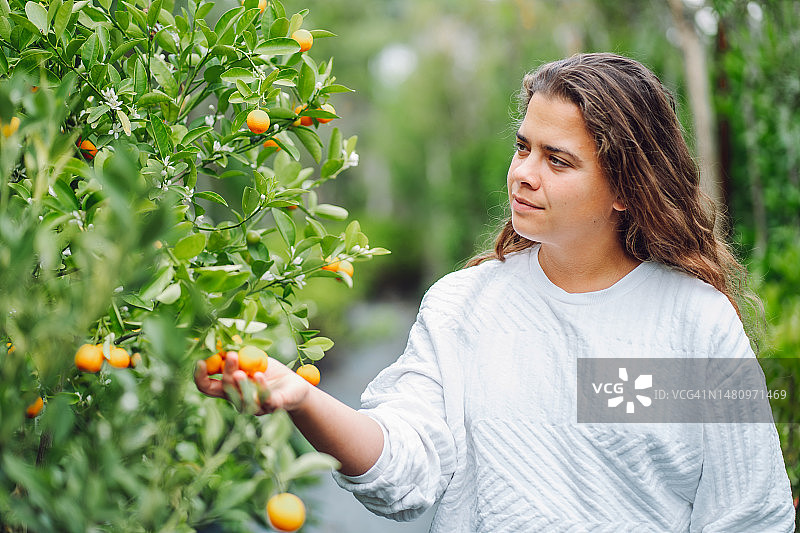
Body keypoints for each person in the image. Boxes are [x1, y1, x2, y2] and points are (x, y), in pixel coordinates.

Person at [195, 53, 795, 531]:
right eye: (522, 146)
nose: (523, 173)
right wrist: (300, 396)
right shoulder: (463, 307)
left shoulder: (691, 322)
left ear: (624, 188)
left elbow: (746, 514)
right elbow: (404, 469)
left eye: (558, 160)